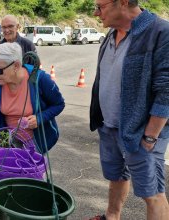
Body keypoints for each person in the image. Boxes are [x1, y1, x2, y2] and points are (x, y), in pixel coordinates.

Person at [89, 1, 169, 219]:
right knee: (117, 177)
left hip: (142, 133)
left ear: (123, 3)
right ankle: (112, 216)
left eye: (100, 6)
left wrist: (151, 136)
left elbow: (166, 91)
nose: (96, 13)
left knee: (152, 193)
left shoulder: (160, 32)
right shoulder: (111, 34)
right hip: (110, 126)